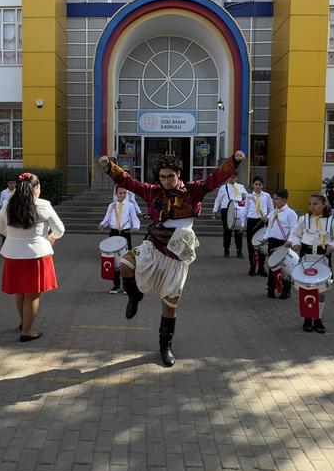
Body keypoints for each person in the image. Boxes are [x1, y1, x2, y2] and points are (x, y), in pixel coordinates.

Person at [98, 150, 245, 367]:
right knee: (126, 264)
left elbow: (214, 179)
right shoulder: (152, 191)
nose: (166, 181)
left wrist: (234, 161)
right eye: (163, 176)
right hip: (154, 246)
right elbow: (130, 182)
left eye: (171, 176)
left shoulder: (193, 191)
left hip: (178, 255)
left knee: (169, 305)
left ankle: (165, 346)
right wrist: (110, 166)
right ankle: (134, 295)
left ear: (178, 174)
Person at [0, 172, 65, 342]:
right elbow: (60, 229)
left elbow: (0, 228)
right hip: (36, 254)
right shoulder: (43, 205)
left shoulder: (7, 204)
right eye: (39, 187)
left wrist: (14, 237)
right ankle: (27, 331)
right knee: (32, 294)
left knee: (20, 291)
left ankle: (23, 323)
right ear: (35, 188)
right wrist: (50, 237)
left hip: (12, 253)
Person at [289, 194, 334, 333]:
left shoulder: (333, 222)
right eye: (310, 204)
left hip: (323, 257)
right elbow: (295, 234)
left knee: (320, 290)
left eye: (315, 204)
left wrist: (333, 246)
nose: (312, 206)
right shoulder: (304, 220)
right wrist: (295, 243)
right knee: (306, 288)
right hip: (306, 256)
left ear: (324, 204)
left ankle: (317, 318)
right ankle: (308, 317)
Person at [100, 186, 141, 294]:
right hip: (113, 232)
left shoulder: (130, 206)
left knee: (125, 261)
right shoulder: (111, 206)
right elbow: (107, 219)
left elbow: (134, 218)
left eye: (124, 193)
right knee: (113, 260)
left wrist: (136, 227)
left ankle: (126, 286)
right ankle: (116, 285)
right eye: (120, 193)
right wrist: (102, 224)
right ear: (116, 194)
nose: (122, 195)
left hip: (125, 233)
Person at [263, 189, 298, 299]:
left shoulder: (291, 213)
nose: (274, 201)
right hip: (272, 242)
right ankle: (271, 287)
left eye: (277, 199)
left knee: (284, 268)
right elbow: (269, 227)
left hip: (283, 243)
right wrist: (265, 238)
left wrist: (290, 241)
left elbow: (294, 229)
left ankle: (286, 290)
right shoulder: (272, 212)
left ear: (284, 199)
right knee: (272, 266)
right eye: (274, 198)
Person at [211, 173, 246, 258]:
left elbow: (247, 197)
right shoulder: (223, 188)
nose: (231, 178)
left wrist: (245, 204)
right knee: (227, 231)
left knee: (238, 231)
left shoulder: (241, 187)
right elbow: (218, 199)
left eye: (233, 177)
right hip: (226, 210)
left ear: (236, 178)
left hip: (238, 210)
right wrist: (215, 210)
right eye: (229, 176)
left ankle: (239, 250)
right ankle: (226, 250)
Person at [245, 177, 274, 277]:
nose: (257, 186)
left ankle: (261, 268)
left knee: (262, 245)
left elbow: (271, 209)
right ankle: (252, 266)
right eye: (256, 184)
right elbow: (245, 210)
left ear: (263, 185)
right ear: (253, 185)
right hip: (251, 222)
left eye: (260, 184)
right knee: (251, 246)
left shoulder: (267, 196)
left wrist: (267, 217)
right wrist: (243, 224)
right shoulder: (249, 196)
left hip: (262, 222)